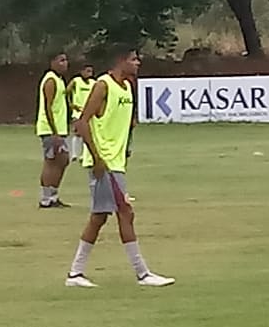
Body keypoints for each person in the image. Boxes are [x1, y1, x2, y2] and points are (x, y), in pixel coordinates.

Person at [65, 47, 174, 288]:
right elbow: (82, 123)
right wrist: (96, 158)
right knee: (125, 212)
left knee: (99, 216)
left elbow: (127, 124)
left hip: (116, 161)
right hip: (104, 162)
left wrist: (126, 147)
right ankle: (142, 273)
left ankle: (75, 273)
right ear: (119, 60)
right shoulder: (103, 85)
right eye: (133, 59)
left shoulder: (128, 87)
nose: (138, 63)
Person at [36, 52, 71, 208]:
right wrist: (54, 131)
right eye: (61, 60)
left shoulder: (60, 80)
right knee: (51, 162)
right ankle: (45, 198)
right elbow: (48, 107)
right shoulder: (50, 80)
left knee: (62, 160)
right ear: (52, 62)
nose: (65, 63)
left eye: (66, 60)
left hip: (60, 128)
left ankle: (53, 195)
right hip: (50, 129)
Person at [67, 63, 95, 162]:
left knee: (87, 134)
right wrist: (71, 104)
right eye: (87, 71)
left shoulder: (93, 82)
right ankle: (74, 154)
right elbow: (66, 92)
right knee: (77, 133)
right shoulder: (76, 81)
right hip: (78, 111)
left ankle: (84, 155)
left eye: (91, 71)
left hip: (89, 111)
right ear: (82, 72)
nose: (90, 74)